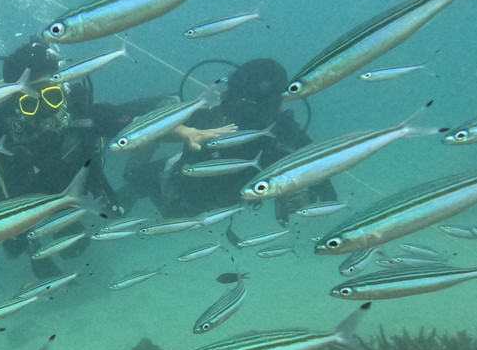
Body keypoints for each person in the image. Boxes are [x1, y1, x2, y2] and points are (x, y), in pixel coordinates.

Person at [0, 39, 228, 272]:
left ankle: (66, 236)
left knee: (79, 242)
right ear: (12, 99)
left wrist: (184, 131)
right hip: (23, 204)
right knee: (27, 252)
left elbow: (133, 125)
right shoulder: (2, 124)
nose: (47, 112)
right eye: (30, 102)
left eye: (53, 96)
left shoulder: (84, 109)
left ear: (65, 89)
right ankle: (38, 247)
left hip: (75, 194)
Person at [121, 57, 336, 226]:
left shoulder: (287, 135)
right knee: (131, 182)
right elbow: (127, 121)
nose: (243, 110)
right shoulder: (211, 115)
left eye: (254, 103)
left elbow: (327, 193)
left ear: (276, 103)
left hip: (208, 208)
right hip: (173, 184)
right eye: (238, 98)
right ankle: (164, 109)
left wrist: (307, 197)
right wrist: (168, 121)